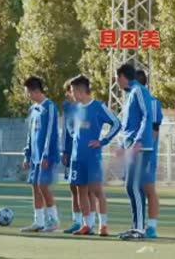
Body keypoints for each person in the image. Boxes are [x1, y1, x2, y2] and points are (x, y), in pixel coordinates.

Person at [67, 75, 121, 236]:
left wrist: (102, 141)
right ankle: (87, 225)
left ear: (80, 91)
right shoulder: (75, 109)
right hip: (77, 158)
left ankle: (103, 225)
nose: (71, 95)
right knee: (80, 190)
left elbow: (117, 123)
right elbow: (72, 129)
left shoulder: (98, 107)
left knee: (96, 190)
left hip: (92, 157)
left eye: (72, 91)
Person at [115, 64, 154, 240]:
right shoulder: (130, 93)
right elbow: (129, 125)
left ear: (123, 77)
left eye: (117, 78)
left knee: (134, 187)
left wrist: (138, 140)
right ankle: (136, 227)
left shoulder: (138, 91)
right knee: (131, 187)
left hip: (141, 147)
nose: (116, 82)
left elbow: (147, 116)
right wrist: (123, 146)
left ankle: (139, 229)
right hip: (132, 146)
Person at [21, 76, 60, 233]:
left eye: (27, 92)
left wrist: (45, 155)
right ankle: (38, 221)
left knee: (43, 186)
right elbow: (31, 134)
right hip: (35, 156)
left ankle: (53, 220)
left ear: (35, 91)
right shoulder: (33, 109)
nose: (27, 95)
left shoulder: (49, 107)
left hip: (47, 156)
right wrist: (27, 154)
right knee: (35, 186)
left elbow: (50, 132)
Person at [62, 78, 98, 234]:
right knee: (74, 188)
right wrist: (65, 151)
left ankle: (90, 222)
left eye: (72, 90)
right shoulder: (70, 109)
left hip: (86, 155)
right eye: (69, 91)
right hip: (72, 154)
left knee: (88, 189)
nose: (70, 94)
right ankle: (77, 221)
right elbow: (68, 133)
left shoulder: (90, 108)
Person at [136, 70, 163, 238]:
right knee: (135, 190)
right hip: (135, 153)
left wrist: (144, 150)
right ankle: (138, 224)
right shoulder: (133, 102)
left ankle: (152, 226)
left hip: (146, 155)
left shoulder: (152, 102)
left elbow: (154, 129)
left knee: (148, 189)